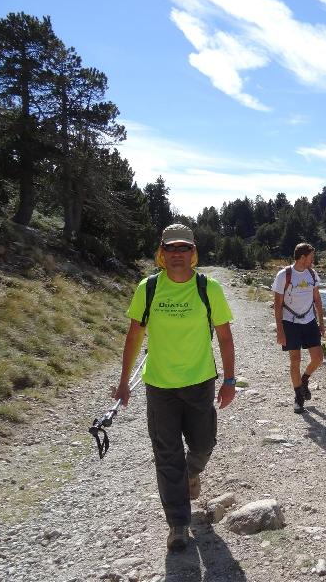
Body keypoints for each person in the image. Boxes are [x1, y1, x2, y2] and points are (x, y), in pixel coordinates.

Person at [114, 223, 236, 552]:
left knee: (204, 444)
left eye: (184, 248)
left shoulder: (208, 288)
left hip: (200, 383)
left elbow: (224, 337)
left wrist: (229, 379)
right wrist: (124, 381)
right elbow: (134, 336)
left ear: (193, 253)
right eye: (171, 248)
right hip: (160, 386)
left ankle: (190, 474)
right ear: (162, 254)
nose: (178, 254)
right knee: (166, 455)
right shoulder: (148, 288)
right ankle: (178, 524)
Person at [272, 242, 325, 414]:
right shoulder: (284, 275)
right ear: (303, 257)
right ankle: (298, 397)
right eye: (311, 257)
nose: (313, 260)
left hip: (309, 321)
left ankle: (304, 380)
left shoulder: (312, 274)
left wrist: (322, 322)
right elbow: (277, 304)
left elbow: (317, 298)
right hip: (290, 322)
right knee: (295, 360)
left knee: (317, 358)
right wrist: (279, 330)